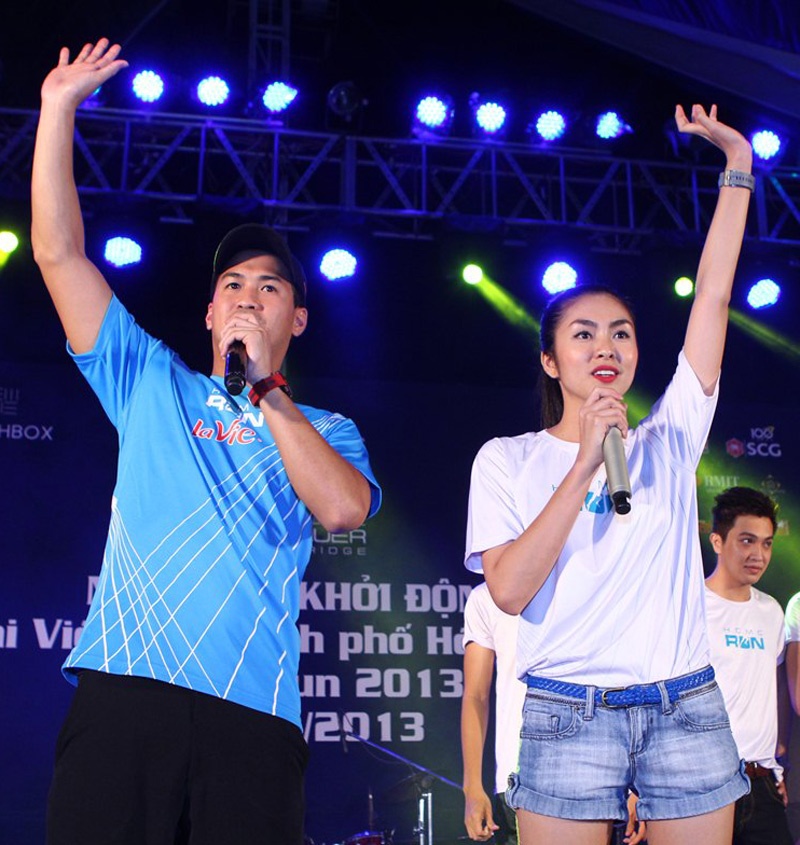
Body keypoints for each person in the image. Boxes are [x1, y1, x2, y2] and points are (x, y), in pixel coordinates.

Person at [32, 40, 381, 845]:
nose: (248, 298)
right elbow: (58, 253)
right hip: (125, 691)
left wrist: (266, 389)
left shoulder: (326, 428)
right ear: (210, 313)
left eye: (270, 287)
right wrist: (57, 110)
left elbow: (341, 508)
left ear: (297, 319)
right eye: (233, 285)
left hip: (251, 712)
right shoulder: (151, 381)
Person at [465, 102, 754, 845]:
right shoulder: (506, 459)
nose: (606, 346)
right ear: (550, 359)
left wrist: (738, 167)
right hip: (568, 712)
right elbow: (509, 590)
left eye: (621, 333)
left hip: (684, 706)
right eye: (584, 333)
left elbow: (714, 296)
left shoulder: (670, 437)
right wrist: (585, 464)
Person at [704, 486, 792, 845]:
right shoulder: (690, 607)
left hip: (761, 783)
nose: (759, 554)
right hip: (703, 785)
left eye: (767, 543)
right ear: (717, 541)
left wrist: (775, 766)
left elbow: (773, 690)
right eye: (747, 541)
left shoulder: (771, 611)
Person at [461, 581, 527, 843]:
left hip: (595, 772)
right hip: (517, 774)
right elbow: (475, 696)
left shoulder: (580, 576)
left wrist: (635, 786)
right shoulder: (485, 597)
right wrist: (472, 788)